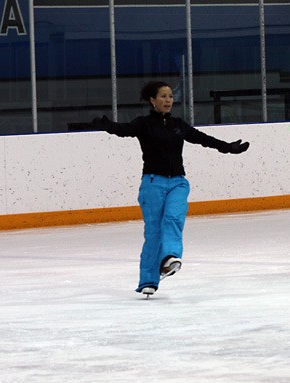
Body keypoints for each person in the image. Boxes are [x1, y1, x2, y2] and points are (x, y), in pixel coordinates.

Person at [91, 80, 250, 297]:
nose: (168, 100)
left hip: (177, 182)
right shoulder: (143, 123)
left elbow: (201, 138)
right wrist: (108, 125)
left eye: (171, 97)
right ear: (152, 100)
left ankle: (169, 258)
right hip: (152, 184)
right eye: (163, 96)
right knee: (154, 233)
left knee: (173, 219)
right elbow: (124, 130)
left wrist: (227, 148)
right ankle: (148, 280)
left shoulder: (178, 124)